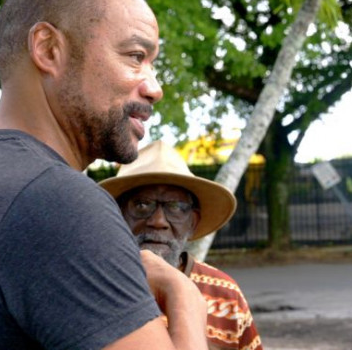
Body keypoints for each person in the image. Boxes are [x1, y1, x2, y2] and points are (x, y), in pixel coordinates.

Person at [0, 0, 208, 350]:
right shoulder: (61, 201)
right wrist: (185, 297)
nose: (154, 88)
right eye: (135, 56)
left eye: (152, 62)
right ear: (48, 49)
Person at [100, 140, 264, 350]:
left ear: (193, 222)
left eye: (175, 207)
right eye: (142, 205)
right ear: (118, 215)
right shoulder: (94, 286)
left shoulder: (225, 294)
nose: (158, 221)